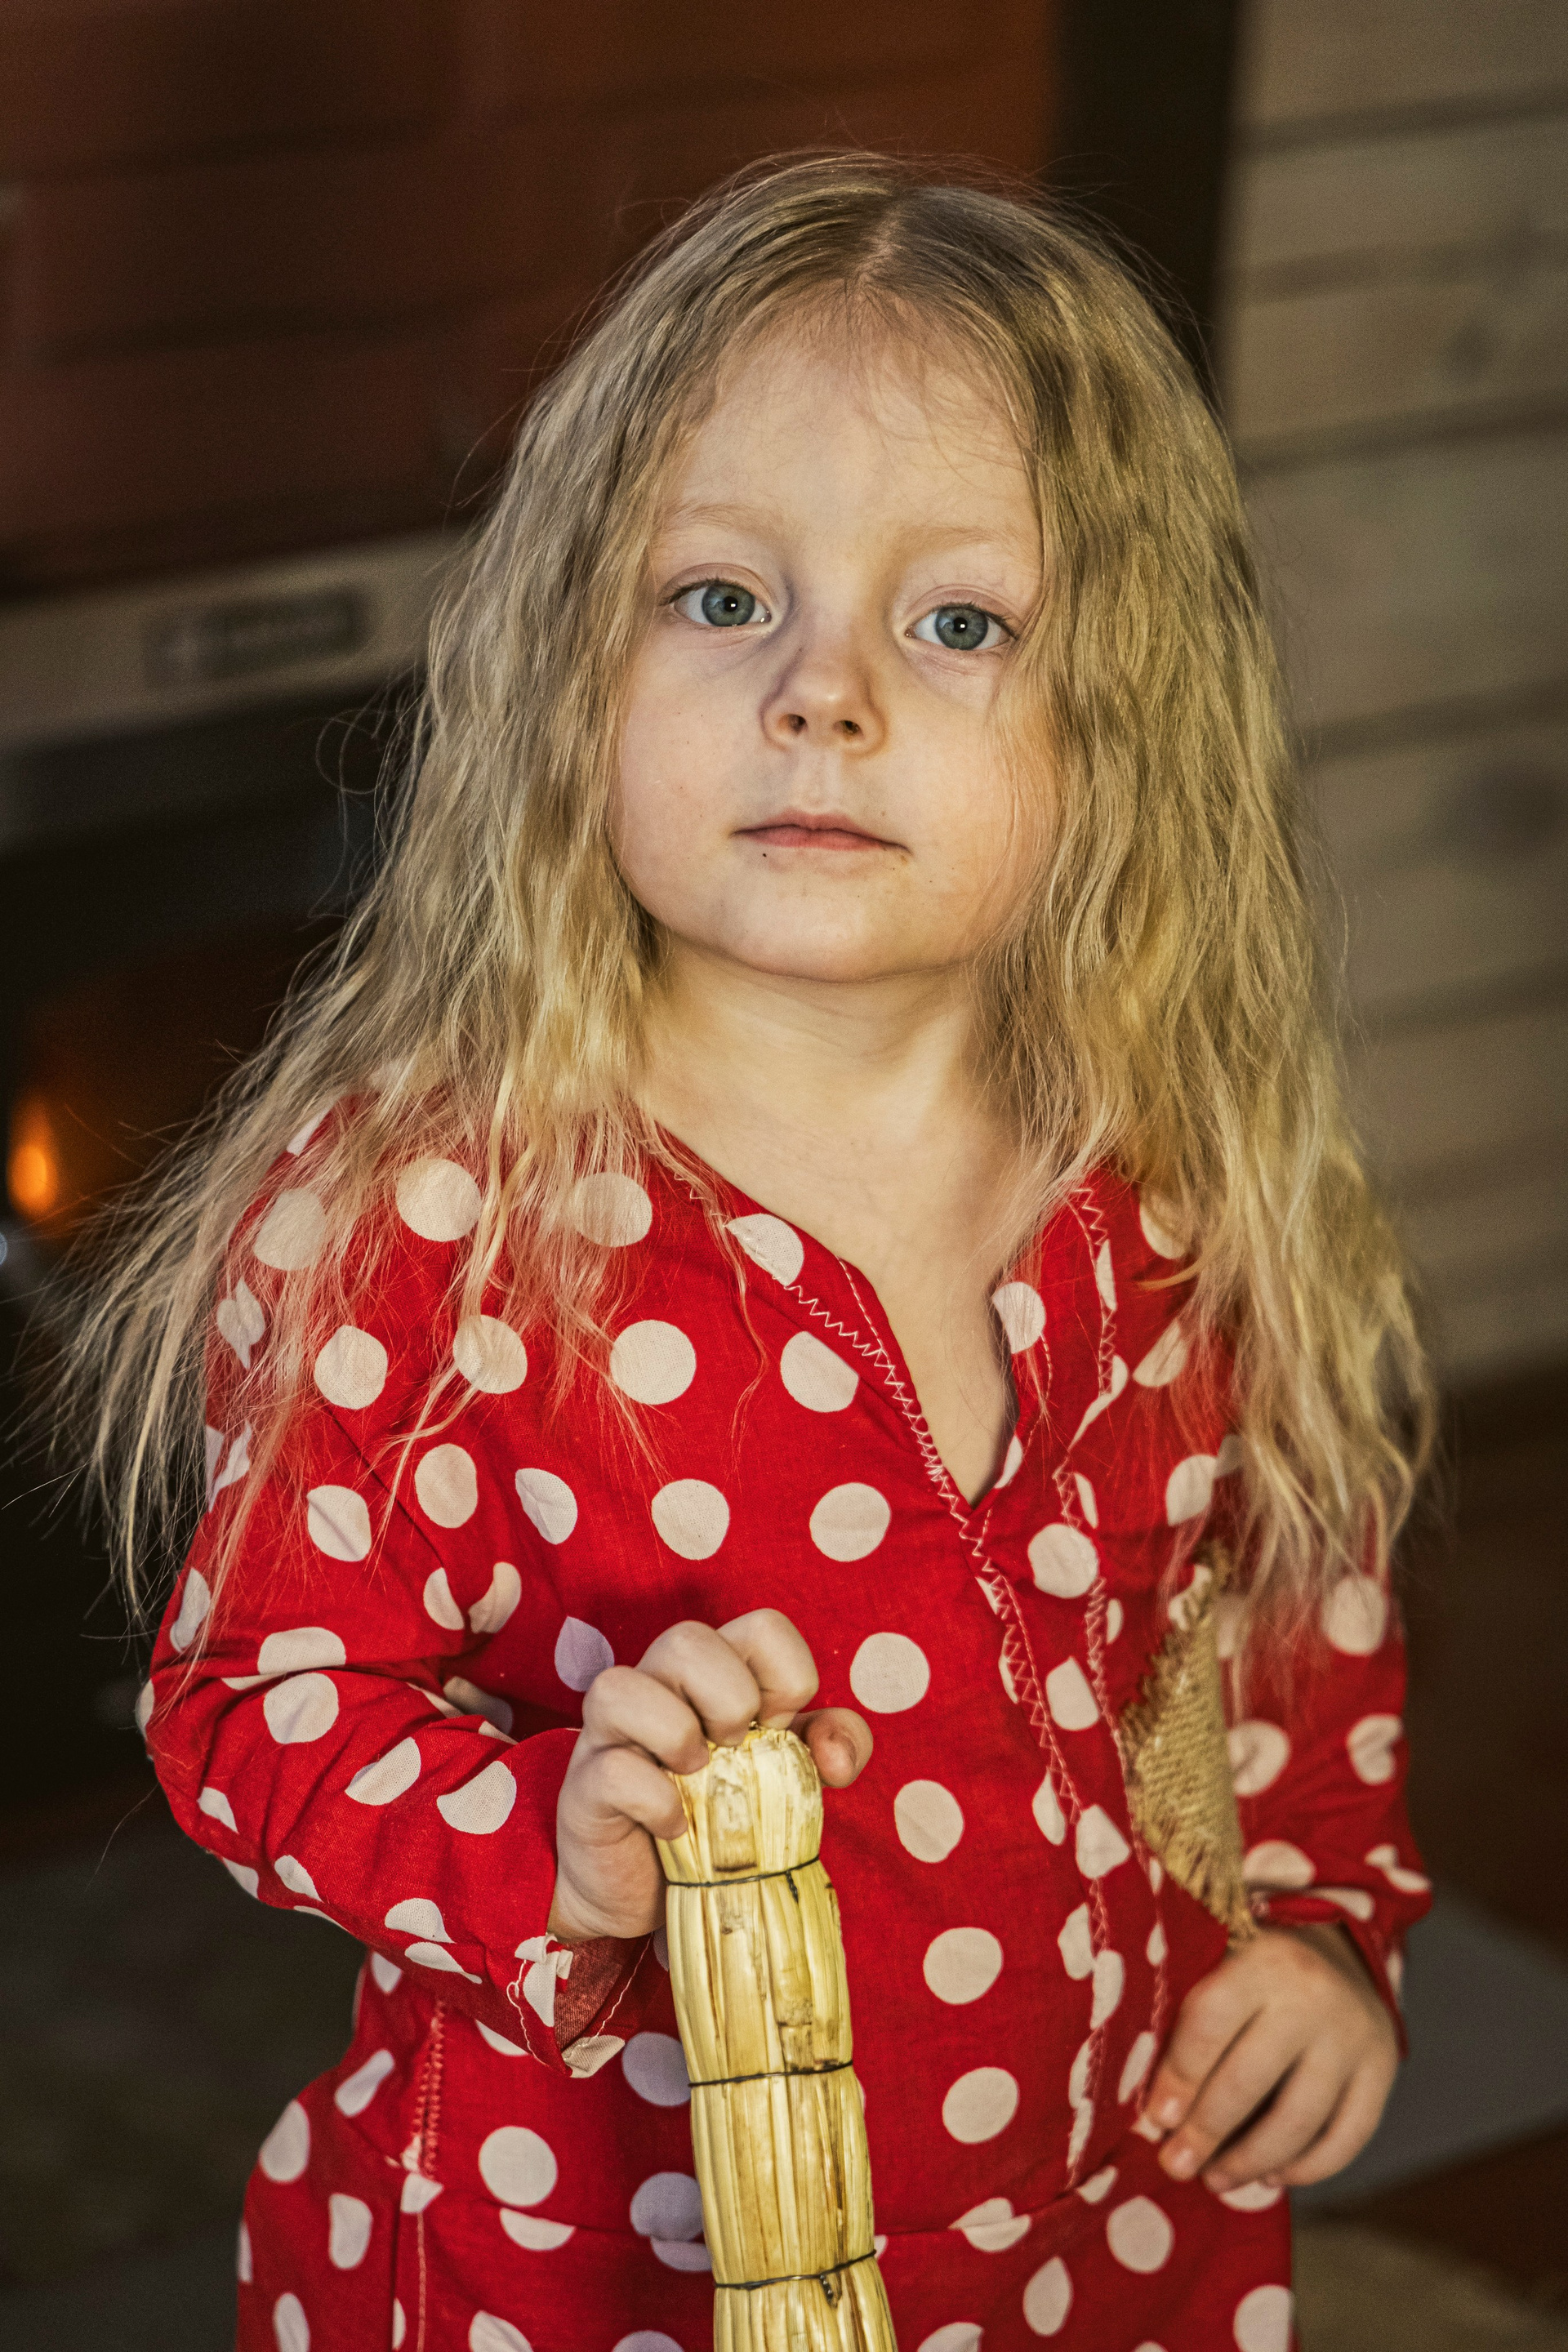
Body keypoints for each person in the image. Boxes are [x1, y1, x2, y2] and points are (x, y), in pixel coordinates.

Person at [69, 157, 1433, 2351]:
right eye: (721, 598)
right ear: (567, 662)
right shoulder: (435, 1219)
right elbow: (257, 1710)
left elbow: (1285, 1605)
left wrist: (1327, 1927)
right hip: (586, 2271)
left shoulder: (1174, 1183)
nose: (824, 694)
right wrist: (560, 1838)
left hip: (1107, 2227)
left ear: (1129, 721)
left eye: (960, 624)